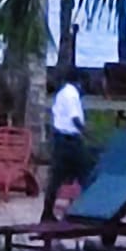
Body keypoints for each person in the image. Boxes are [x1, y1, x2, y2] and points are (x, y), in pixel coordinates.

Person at [41, 67, 94, 223]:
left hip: (60, 139)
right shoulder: (72, 95)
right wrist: (88, 134)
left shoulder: (63, 93)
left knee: (56, 179)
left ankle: (47, 212)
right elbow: (75, 119)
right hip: (70, 141)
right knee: (86, 175)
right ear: (80, 81)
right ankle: (86, 211)